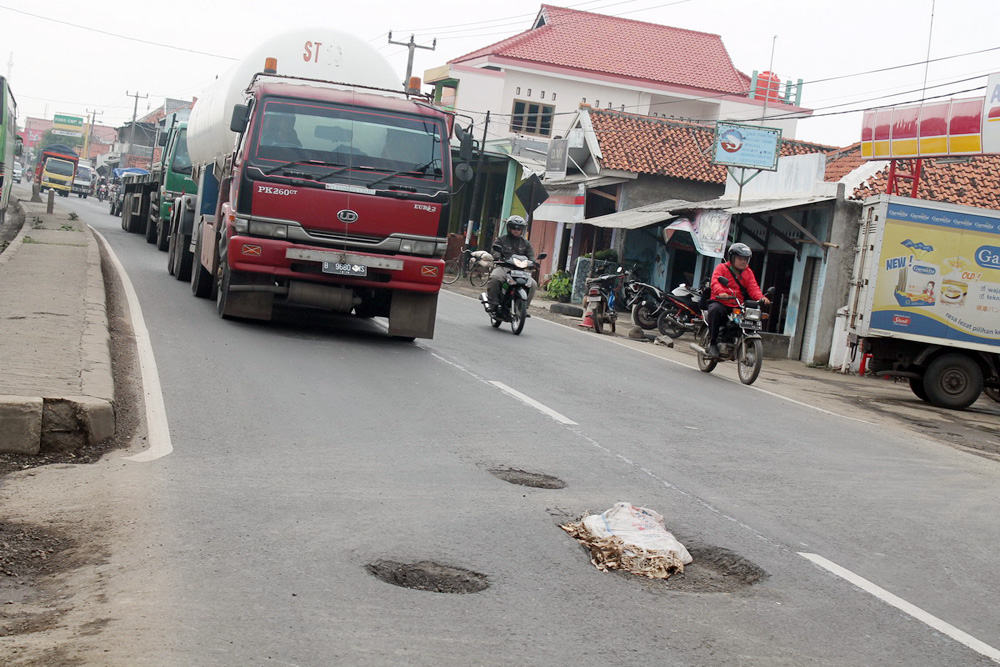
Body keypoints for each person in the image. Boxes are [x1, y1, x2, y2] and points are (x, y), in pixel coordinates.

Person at [705, 242, 770, 358]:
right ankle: (713, 343)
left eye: (745, 259)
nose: (743, 261)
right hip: (720, 301)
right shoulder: (722, 268)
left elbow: (753, 287)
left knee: (749, 318)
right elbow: (715, 282)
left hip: (737, 305)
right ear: (732, 258)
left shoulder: (748, 273)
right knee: (715, 310)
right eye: (740, 258)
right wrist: (722, 292)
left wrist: (762, 298)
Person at [486, 215, 537, 312]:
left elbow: (531, 256)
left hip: (520, 270)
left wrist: (533, 262)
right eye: (514, 228)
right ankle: (493, 303)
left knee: (533, 284)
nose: (516, 230)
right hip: (504, 267)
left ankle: (523, 308)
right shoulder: (501, 240)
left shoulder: (526, 243)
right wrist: (498, 256)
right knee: (495, 279)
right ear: (509, 228)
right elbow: (495, 250)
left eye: (519, 228)